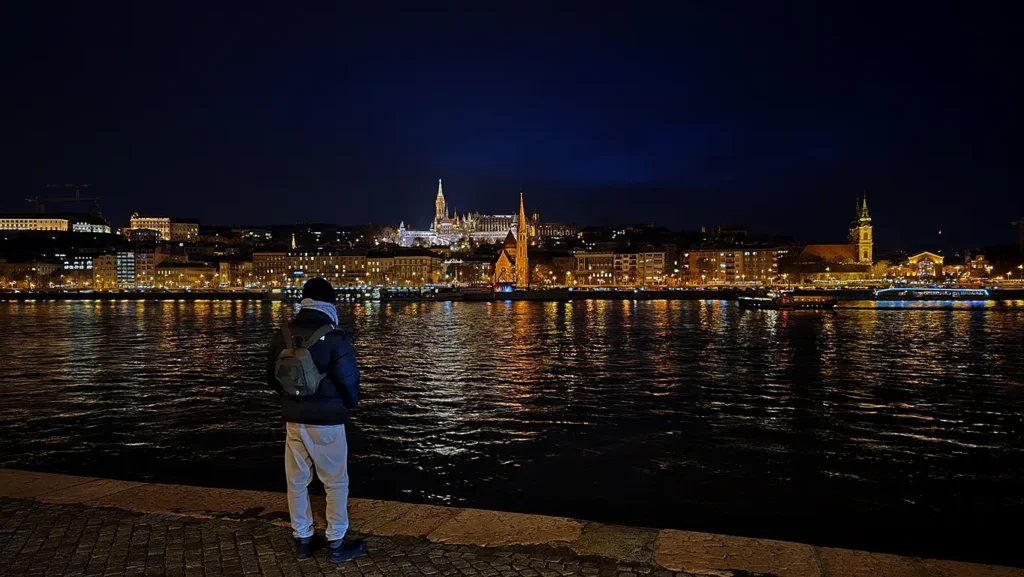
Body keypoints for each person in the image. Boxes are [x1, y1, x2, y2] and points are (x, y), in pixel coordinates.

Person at [267, 277, 366, 563]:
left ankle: (303, 540)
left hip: (294, 420)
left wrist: (292, 400)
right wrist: (349, 405)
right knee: (335, 482)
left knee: (296, 482)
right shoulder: (335, 336)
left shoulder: (282, 333)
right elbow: (350, 381)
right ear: (330, 303)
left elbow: (271, 378)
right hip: (328, 421)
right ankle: (336, 541)